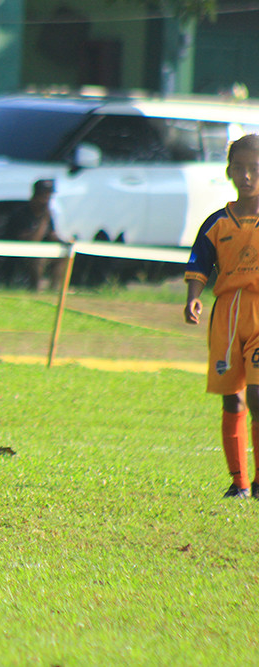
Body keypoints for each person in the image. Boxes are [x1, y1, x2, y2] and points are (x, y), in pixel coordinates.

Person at [184, 133, 259, 499]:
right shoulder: (217, 222)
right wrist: (193, 297)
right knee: (233, 398)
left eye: (254, 169)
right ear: (228, 171)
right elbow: (199, 261)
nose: (246, 176)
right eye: (239, 168)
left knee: (258, 394)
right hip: (228, 317)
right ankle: (239, 483)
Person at [4, 179, 67, 291]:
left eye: (49, 197)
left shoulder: (46, 214)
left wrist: (64, 243)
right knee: (39, 259)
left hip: (40, 251)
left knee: (63, 256)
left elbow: (52, 235)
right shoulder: (22, 214)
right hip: (19, 251)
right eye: (44, 196)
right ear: (36, 196)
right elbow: (32, 241)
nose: (46, 201)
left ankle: (55, 290)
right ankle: (35, 289)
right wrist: (43, 221)